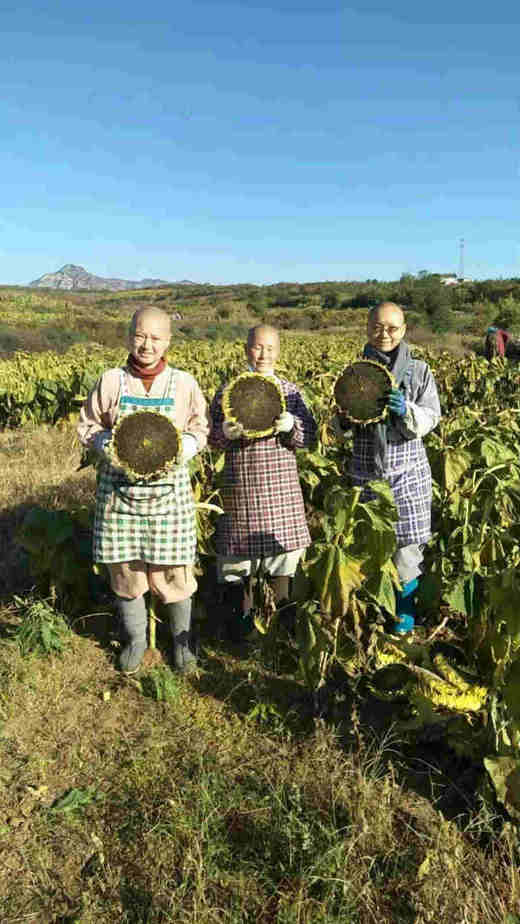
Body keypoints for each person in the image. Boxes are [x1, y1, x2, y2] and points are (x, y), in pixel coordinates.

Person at [78, 306, 208, 673]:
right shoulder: (110, 381)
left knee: (176, 574)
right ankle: (136, 640)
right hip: (119, 495)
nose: (146, 344)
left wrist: (186, 447)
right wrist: (106, 445)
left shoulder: (183, 383)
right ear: (128, 335)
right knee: (126, 572)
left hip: (170, 496)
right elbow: (88, 425)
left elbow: (201, 428)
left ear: (168, 340)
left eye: (155, 337)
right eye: (140, 335)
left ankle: (182, 645)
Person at [333, 302, 441, 633]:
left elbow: (432, 417)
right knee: (370, 547)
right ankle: (374, 612)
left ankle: (403, 619)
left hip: (408, 472)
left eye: (392, 328)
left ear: (404, 330)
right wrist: (343, 419)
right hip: (367, 470)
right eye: (378, 327)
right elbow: (338, 428)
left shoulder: (419, 371)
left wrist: (405, 409)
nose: (384, 334)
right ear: (367, 329)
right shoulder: (353, 372)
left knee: (407, 550)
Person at [208, 324, 317, 639]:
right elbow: (211, 435)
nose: (263, 354)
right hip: (241, 485)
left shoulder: (290, 391)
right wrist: (224, 434)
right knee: (237, 562)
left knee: (282, 559)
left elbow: (309, 434)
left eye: (270, 348)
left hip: (281, 489)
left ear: (278, 352)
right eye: (257, 347)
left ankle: (280, 631)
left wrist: (291, 425)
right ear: (246, 349)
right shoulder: (228, 391)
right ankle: (240, 632)